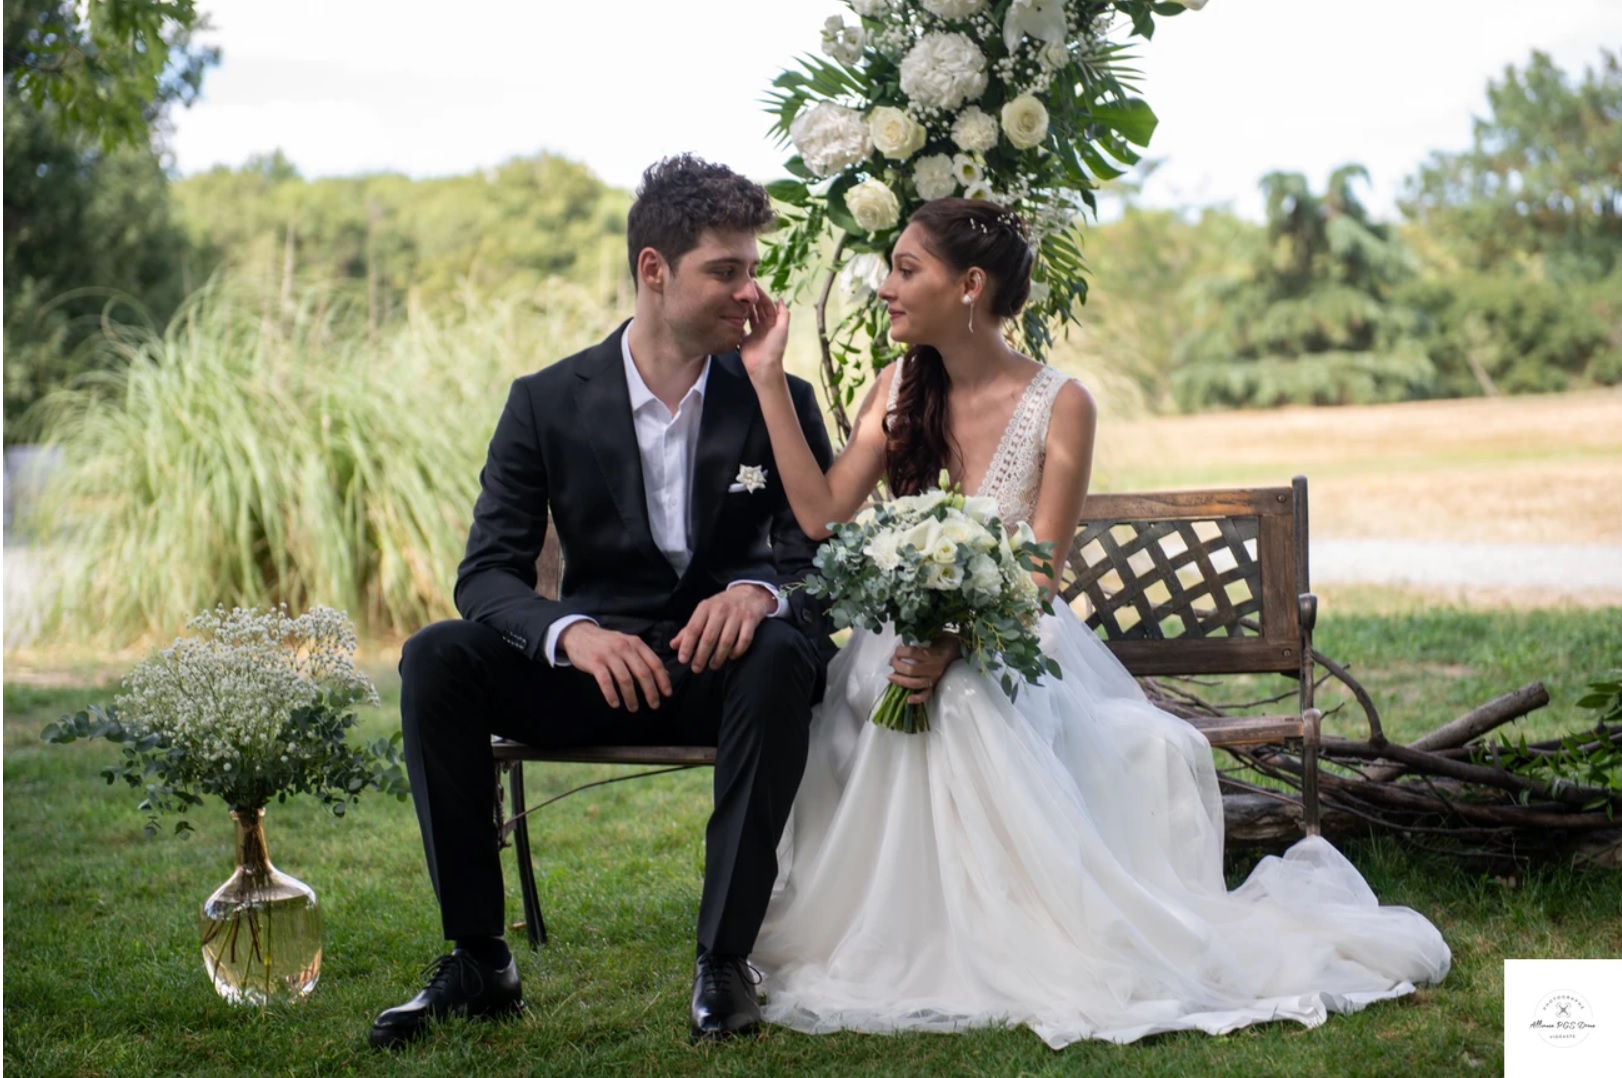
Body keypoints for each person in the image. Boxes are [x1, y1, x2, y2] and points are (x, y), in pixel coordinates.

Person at [737, 198, 1451, 1048]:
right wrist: (767, 380)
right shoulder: (893, 391)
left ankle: (1006, 934)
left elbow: (1037, 574)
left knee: (963, 708)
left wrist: (954, 643)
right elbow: (820, 514)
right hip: (897, 645)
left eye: (904, 267)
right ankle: (901, 927)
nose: (886, 286)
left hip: (1004, 636)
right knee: (888, 697)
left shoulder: (1060, 403)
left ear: (968, 286)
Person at [371, 155, 836, 1049]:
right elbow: (488, 575)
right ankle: (479, 960)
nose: (751, 293)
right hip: (597, 674)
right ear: (653, 271)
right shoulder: (544, 402)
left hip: (728, 673)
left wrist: (760, 594)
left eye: (753, 268)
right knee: (436, 654)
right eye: (725, 270)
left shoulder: (778, 398)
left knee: (782, 651)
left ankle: (723, 961)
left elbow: (820, 557)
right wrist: (569, 633)